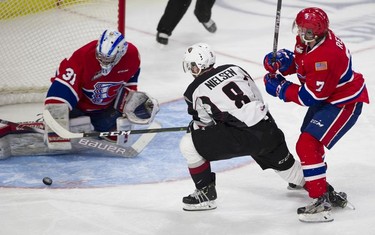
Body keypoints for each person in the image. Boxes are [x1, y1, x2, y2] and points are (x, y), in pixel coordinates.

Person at [263, 7, 369, 222]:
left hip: (343, 103)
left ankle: (321, 202)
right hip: (329, 98)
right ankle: (315, 182)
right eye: (300, 28)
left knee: (307, 143)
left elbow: (309, 97)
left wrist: (280, 88)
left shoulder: (326, 56)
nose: (302, 34)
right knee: (308, 141)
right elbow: (303, 63)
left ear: (317, 32)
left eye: (306, 31)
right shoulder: (310, 40)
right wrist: (283, 63)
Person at [179, 42, 306, 211]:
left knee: (189, 144)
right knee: (291, 172)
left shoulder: (193, 90)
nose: (191, 70)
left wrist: (195, 128)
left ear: (199, 66)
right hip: (267, 127)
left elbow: (204, 124)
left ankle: (205, 194)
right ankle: (321, 188)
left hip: (242, 136)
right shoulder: (234, 68)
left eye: (192, 66)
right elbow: (255, 96)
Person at [44, 29, 159, 150]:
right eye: (100, 55)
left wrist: (134, 102)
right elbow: (64, 86)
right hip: (78, 106)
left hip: (104, 109)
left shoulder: (132, 56)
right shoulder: (83, 56)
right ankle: (74, 120)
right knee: (64, 113)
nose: (103, 60)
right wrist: (55, 115)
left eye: (108, 58)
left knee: (120, 125)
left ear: (121, 53)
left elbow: (130, 81)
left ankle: (96, 125)